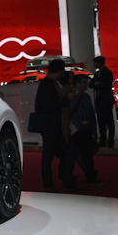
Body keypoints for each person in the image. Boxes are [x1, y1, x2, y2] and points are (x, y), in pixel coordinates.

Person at [35, 59, 73, 192]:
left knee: (55, 154)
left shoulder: (49, 84)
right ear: (59, 71)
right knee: (51, 155)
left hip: (51, 125)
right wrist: (66, 100)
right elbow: (50, 105)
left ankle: (58, 179)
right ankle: (51, 182)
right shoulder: (48, 85)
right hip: (51, 126)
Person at [69, 75, 104, 185]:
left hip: (85, 129)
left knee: (87, 155)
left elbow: (91, 115)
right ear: (77, 83)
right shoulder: (70, 96)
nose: (86, 85)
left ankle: (90, 175)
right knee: (74, 155)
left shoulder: (86, 97)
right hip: (74, 129)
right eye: (84, 82)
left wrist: (94, 131)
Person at [89, 56, 115, 147]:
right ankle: (102, 139)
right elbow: (91, 84)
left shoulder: (108, 73)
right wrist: (97, 84)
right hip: (99, 100)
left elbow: (104, 85)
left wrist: (97, 84)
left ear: (99, 63)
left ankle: (110, 139)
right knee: (101, 120)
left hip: (107, 100)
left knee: (109, 120)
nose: (93, 64)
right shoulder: (97, 73)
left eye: (94, 63)